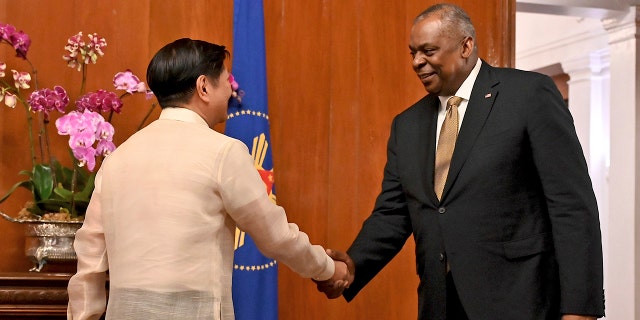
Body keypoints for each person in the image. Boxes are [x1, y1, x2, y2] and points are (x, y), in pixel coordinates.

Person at [315, 3, 605, 320]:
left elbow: (571, 205)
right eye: (412, 52)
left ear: (466, 46)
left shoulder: (529, 95)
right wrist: (351, 265)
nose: (417, 62)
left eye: (428, 51)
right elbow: (392, 214)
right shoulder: (407, 125)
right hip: (440, 306)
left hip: (521, 302)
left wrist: (580, 308)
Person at [67, 38, 349, 320]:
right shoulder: (224, 152)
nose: (230, 89)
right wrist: (329, 269)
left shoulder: (117, 160)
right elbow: (276, 237)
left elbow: (90, 263)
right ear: (204, 87)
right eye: (226, 80)